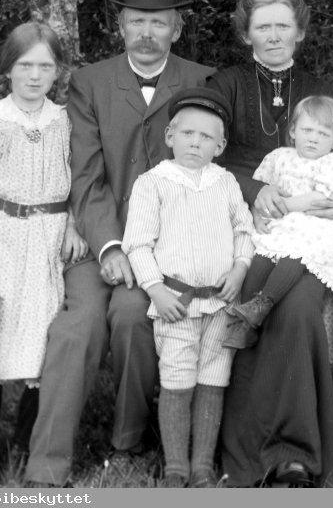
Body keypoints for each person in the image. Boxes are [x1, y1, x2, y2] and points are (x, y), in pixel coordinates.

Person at [25, 0, 215, 487]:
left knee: (133, 318)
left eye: (158, 23)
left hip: (166, 251)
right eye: (137, 22)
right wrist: (110, 244)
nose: (147, 33)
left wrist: (147, 255)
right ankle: (46, 465)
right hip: (96, 241)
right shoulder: (90, 82)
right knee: (76, 327)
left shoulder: (203, 80)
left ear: (177, 27)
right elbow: (85, 175)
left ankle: (127, 441)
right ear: (121, 24)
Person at [206, 0, 333, 488]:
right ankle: (246, 457)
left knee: (294, 313)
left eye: (282, 26)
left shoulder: (319, 87)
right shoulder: (224, 83)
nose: (273, 35)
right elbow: (204, 151)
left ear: (300, 32)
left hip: (314, 235)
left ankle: (296, 453)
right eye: (262, 26)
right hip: (247, 221)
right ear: (247, 33)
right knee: (248, 300)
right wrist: (255, 188)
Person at [0, 22, 87, 474]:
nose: (34, 76)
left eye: (45, 66)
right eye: (24, 65)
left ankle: (25, 437)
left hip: (51, 237)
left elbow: (80, 179)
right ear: (8, 69)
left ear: (58, 72)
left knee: (45, 338)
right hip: (4, 233)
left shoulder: (66, 119)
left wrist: (73, 224)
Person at [122, 87, 255, 487]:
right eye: (187, 134)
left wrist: (240, 268)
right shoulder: (154, 182)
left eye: (206, 137)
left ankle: (202, 466)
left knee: (213, 379)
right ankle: (176, 466)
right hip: (176, 303)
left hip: (220, 303)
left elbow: (244, 230)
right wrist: (155, 289)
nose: (195, 143)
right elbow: (137, 243)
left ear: (220, 145)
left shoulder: (225, 182)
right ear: (169, 136)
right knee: (178, 380)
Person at [223, 95, 333, 350]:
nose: (313, 137)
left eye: (323, 133)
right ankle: (245, 322)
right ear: (294, 131)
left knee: (293, 255)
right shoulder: (279, 157)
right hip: (281, 225)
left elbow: (318, 200)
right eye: (307, 130)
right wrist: (257, 213)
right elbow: (261, 187)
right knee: (261, 258)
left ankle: (263, 302)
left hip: (317, 226)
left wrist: (284, 207)